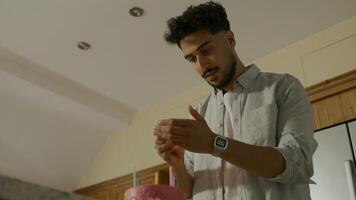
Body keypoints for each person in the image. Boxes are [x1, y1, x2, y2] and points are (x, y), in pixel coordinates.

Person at [153, 1, 318, 200]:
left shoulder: (283, 88)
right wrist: (177, 164)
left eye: (206, 51)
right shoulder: (200, 114)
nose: (201, 65)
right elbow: (187, 193)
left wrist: (214, 143)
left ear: (230, 39)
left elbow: (297, 164)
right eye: (191, 59)